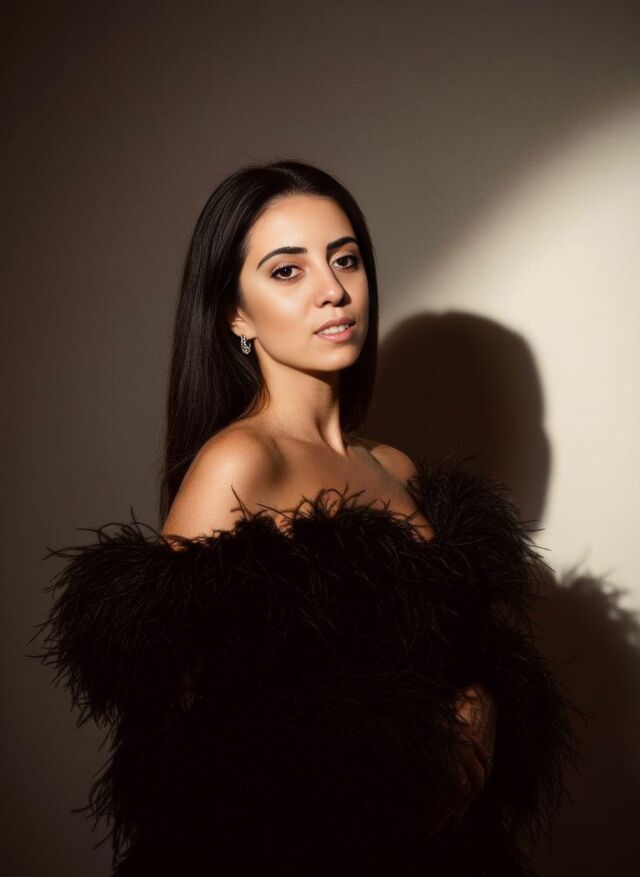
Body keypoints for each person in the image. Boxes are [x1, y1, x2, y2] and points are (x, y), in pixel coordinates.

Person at [30, 160, 583, 876]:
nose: (333, 290)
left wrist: (482, 704)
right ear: (234, 313)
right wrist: (397, 769)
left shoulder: (395, 466)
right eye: (287, 271)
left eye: (345, 259)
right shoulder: (238, 463)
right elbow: (182, 744)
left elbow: (459, 657)